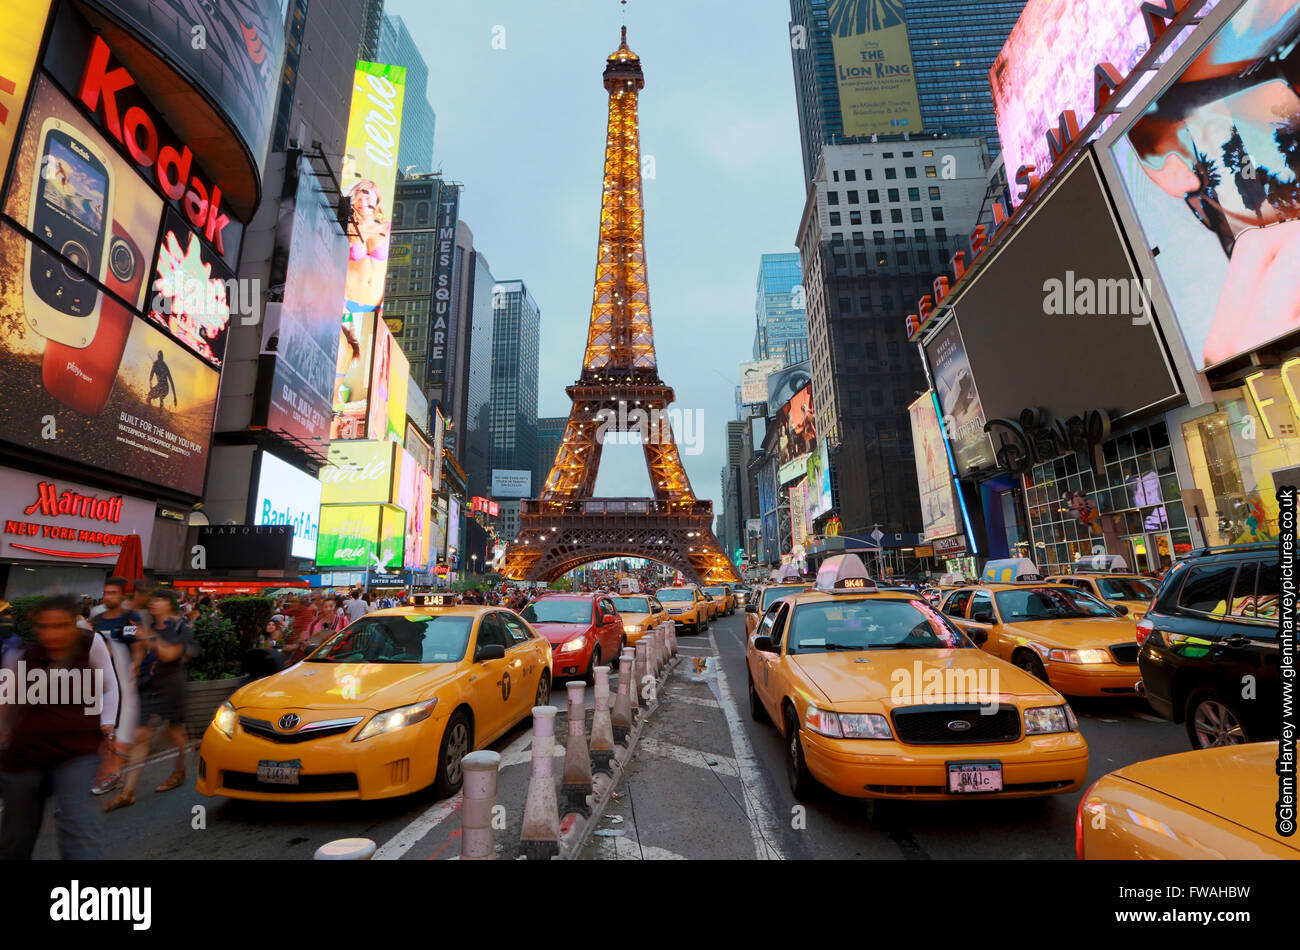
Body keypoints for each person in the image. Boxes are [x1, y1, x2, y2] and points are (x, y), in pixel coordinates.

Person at [0, 594, 119, 859]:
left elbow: (110, 687)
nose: (52, 634)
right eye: (44, 627)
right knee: (16, 836)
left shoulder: (91, 644)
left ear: (74, 623)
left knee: (78, 824)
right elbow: (4, 702)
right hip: (24, 755)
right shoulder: (23, 655)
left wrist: (108, 729)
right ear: (35, 627)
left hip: (77, 752)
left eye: (61, 625)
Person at [103, 590, 190, 812]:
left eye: (159, 600)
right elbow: (123, 633)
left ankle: (179, 770)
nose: (153, 603)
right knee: (141, 735)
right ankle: (127, 793)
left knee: (175, 731)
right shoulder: (146, 624)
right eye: (152, 600)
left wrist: (148, 636)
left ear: (169, 604)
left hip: (171, 685)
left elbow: (170, 654)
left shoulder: (179, 626)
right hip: (148, 685)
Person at [89, 578, 145, 797]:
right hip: (97, 680)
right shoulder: (98, 618)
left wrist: (136, 666)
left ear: (122, 596)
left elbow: (138, 645)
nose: (108, 596)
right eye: (106, 592)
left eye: (113, 593)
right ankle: (100, 772)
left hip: (120, 683)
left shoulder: (127, 619)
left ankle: (112, 774)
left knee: (111, 729)